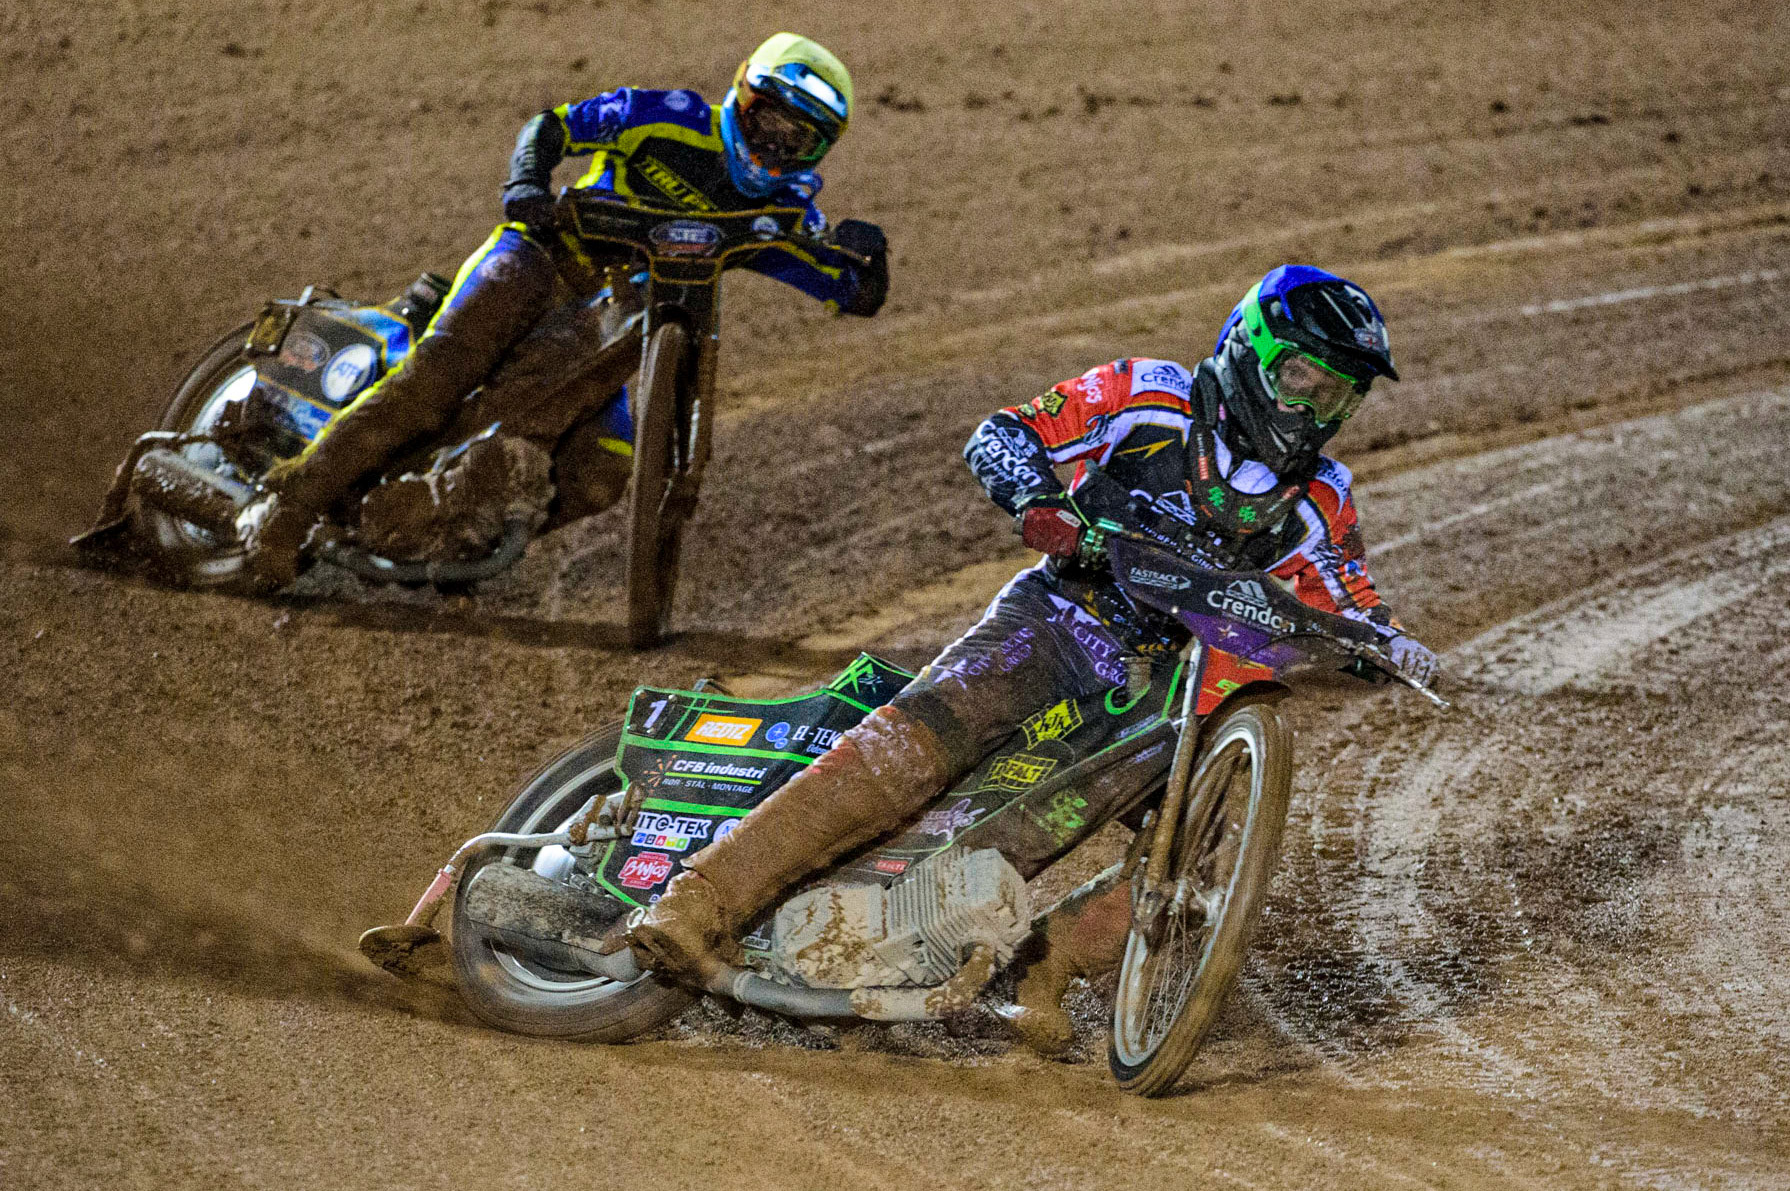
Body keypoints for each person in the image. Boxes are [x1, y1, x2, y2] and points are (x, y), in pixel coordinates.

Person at [623, 265, 1440, 1054]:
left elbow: (1349, 597)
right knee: (919, 742)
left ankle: (1037, 966)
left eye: (1337, 392)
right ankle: (702, 895)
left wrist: (1388, 643)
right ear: (1249, 349)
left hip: (1161, 686)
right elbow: (1009, 432)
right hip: (1060, 616)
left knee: (1197, 851)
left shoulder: (1322, 496)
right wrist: (1040, 499)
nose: (1314, 406)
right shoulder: (1153, 397)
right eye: (1301, 376)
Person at [235, 33, 889, 587]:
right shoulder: (666, 115)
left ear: (818, 150)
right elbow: (553, 126)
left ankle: (450, 528)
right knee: (437, 380)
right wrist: (526, 182)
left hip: (610, 323)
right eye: (765, 119)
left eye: (796, 138)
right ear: (739, 96)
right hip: (541, 256)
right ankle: (288, 502)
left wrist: (869, 259)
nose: (773, 144)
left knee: (603, 470)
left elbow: (852, 293)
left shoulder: (783, 215)